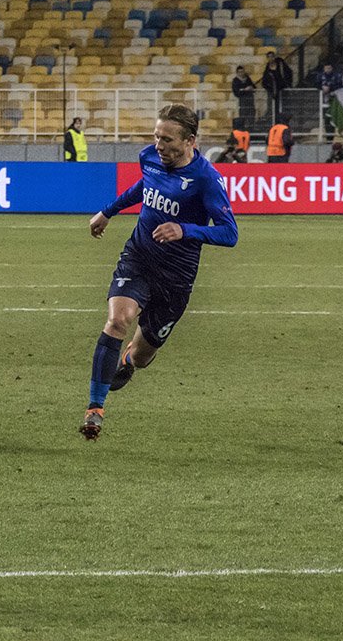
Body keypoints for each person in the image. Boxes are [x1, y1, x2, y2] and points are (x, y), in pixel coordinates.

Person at [80, 104, 238, 440]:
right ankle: (95, 410)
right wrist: (108, 212)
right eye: (156, 137)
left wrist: (185, 230)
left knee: (142, 356)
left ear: (190, 141)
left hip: (176, 277)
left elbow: (230, 233)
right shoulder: (149, 157)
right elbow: (145, 187)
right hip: (139, 257)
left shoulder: (207, 179)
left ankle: (128, 361)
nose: (158, 145)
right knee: (118, 320)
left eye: (167, 139)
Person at [261, 51, 293, 120]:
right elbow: (264, 80)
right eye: (269, 57)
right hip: (274, 91)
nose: (271, 58)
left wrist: (288, 84)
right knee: (274, 107)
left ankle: (284, 120)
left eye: (272, 57)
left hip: (283, 89)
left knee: (284, 105)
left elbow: (288, 73)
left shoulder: (281, 64)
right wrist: (269, 88)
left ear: (274, 57)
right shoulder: (267, 68)